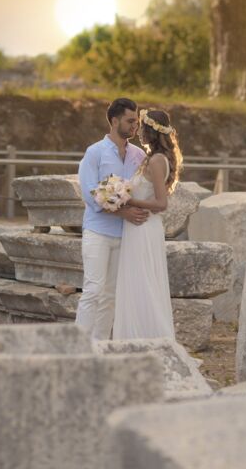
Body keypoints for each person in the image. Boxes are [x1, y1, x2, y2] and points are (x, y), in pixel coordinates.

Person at [75, 97, 149, 340]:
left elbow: (141, 190)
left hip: (126, 234)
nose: (134, 126)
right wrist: (122, 211)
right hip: (98, 231)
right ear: (114, 121)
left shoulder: (139, 155)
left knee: (110, 295)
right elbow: (89, 193)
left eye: (136, 121)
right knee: (93, 290)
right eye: (130, 121)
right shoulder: (95, 152)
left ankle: (100, 346)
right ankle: (78, 346)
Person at [112, 108, 182, 340]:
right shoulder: (150, 158)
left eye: (142, 127)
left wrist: (127, 200)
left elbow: (161, 203)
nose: (138, 131)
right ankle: (133, 337)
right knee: (136, 283)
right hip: (136, 229)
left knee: (143, 283)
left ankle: (149, 338)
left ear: (152, 131)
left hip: (144, 228)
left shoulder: (157, 161)